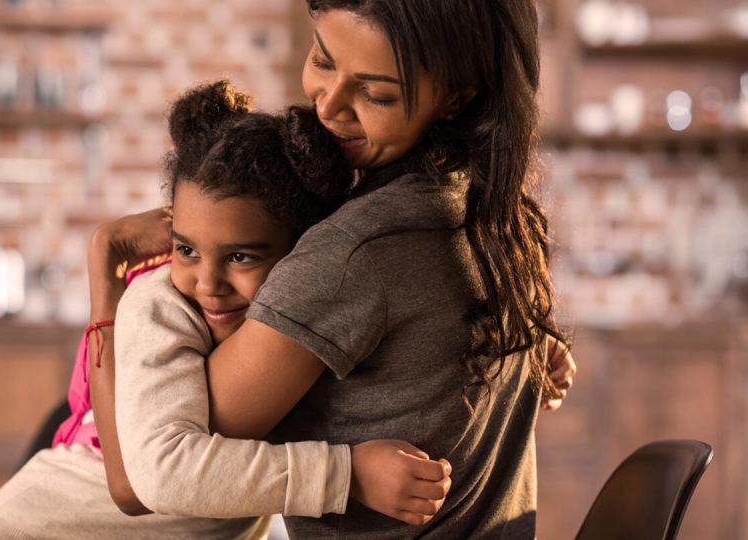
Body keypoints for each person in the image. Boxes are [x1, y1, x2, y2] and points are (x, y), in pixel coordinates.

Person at [88, 1, 577, 538]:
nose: (330, 107)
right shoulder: (497, 216)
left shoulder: (352, 255)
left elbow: (143, 481)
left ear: (456, 96)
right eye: (323, 61)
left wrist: (106, 267)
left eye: (376, 93)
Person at [0, 80, 451, 540]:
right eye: (187, 250)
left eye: (240, 256)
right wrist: (348, 475)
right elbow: (151, 480)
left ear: (303, 254)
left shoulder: (304, 311)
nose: (207, 283)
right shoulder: (157, 304)